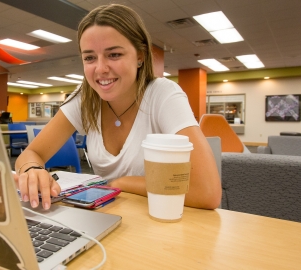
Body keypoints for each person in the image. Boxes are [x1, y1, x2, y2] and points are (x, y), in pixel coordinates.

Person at [14, 4, 221, 210]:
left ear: (140, 56)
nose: (101, 69)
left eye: (114, 55)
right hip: (109, 218)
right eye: (90, 58)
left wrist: (122, 184)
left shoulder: (163, 95)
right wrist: (32, 169)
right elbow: (31, 153)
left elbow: (207, 192)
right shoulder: (86, 97)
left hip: (163, 219)